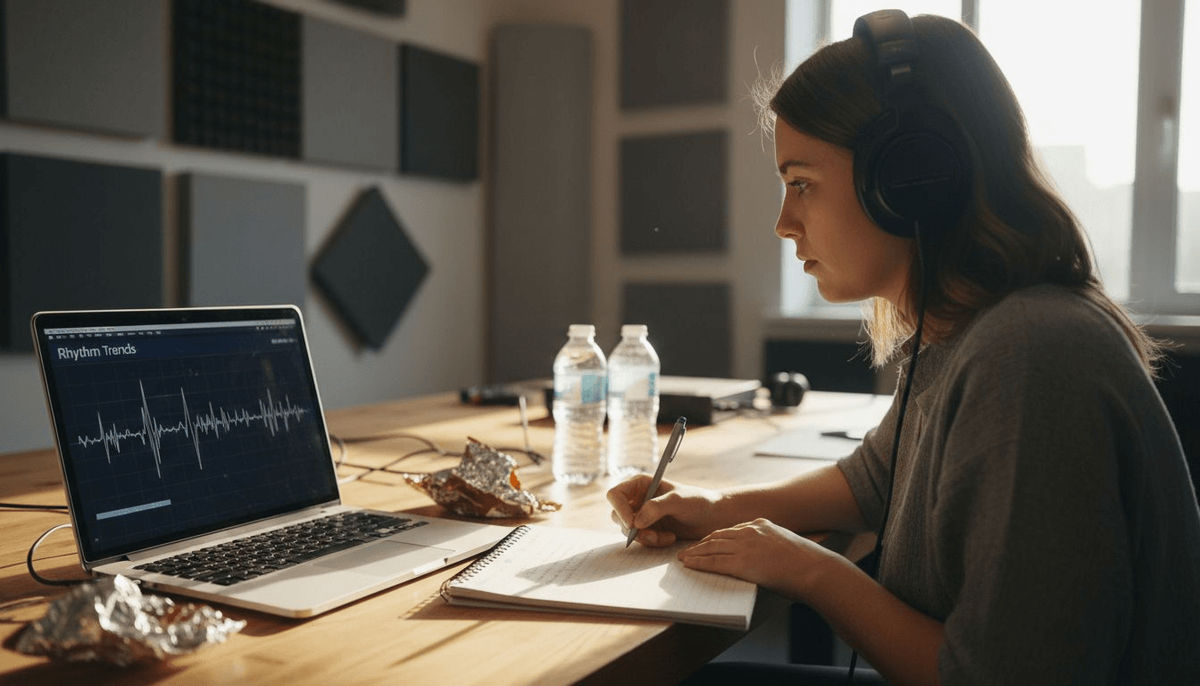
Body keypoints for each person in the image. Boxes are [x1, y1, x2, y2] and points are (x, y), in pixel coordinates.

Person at [607, 10, 1200, 686]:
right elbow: (874, 480)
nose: (782, 222)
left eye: (801, 183)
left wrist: (810, 569)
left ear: (909, 182)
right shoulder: (968, 331)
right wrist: (715, 509)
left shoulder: (1028, 354)